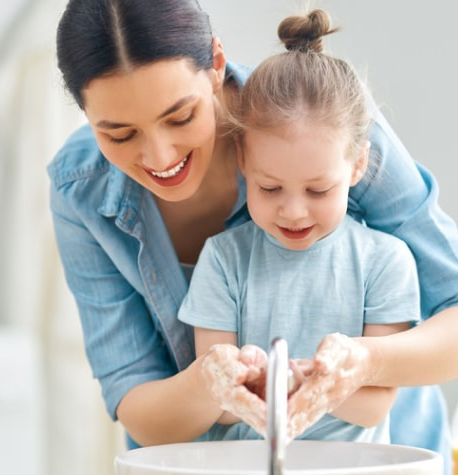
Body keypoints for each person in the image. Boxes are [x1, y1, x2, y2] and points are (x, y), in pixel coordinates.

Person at [49, 0, 458, 471]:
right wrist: (208, 384)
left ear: (215, 64)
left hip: (385, 457)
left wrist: (365, 363)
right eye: (120, 135)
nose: (160, 155)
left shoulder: (321, 118)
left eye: (180, 117)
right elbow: (134, 398)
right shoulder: (80, 188)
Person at [177, 9, 420, 444]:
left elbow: (374, 407)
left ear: (358, 165)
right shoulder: (224, 259)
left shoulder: (385, 262)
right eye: (269, 188)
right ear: (243, 161)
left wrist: (295, 381)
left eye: (318, 191)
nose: (293, 212)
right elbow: (220, 405)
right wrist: (242, 379)